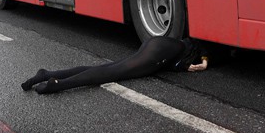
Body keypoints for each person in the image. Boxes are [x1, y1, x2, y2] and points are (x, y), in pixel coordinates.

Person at [21, 36, 209, 95]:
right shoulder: (206, 49)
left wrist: (182, 66)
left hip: (159, 47)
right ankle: (58, 85)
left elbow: (173, 63)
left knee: (110, 67)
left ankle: (47, 74)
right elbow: (202, 51)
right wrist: (204, 62)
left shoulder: (192, 47)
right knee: (113, 72)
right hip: (162, 51)